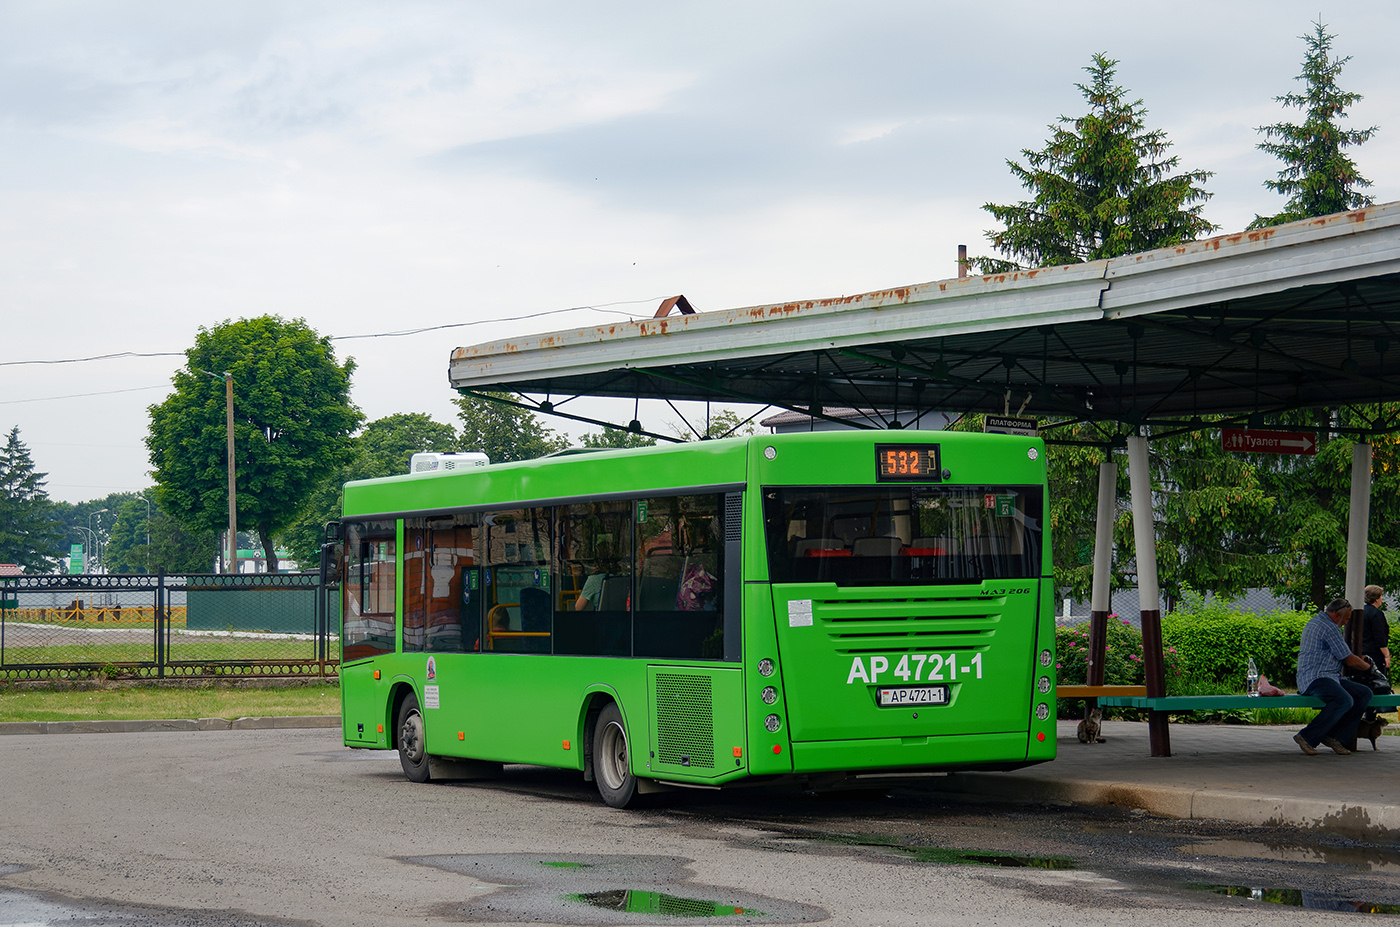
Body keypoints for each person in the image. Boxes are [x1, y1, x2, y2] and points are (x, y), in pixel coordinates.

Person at [1294, 597, 1374, 755]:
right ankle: (1307, 736)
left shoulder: (1316, 622)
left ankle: (1335, 737)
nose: (1346, 622)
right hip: (1315, 678)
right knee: (1343, 700)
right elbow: (1348, 659)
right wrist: (1369, 668)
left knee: (1364, 694)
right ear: (1337, 614)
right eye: (1346, 618)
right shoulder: (1329, 628)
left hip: (1328, 677)